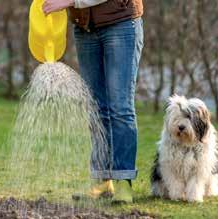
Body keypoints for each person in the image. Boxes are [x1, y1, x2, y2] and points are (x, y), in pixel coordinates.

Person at [43, 0, 144, 203]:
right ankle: (101, 179)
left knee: (120, 107)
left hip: (120, 23)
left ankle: (123, 180)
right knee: (96, 108)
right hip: (85, 27)